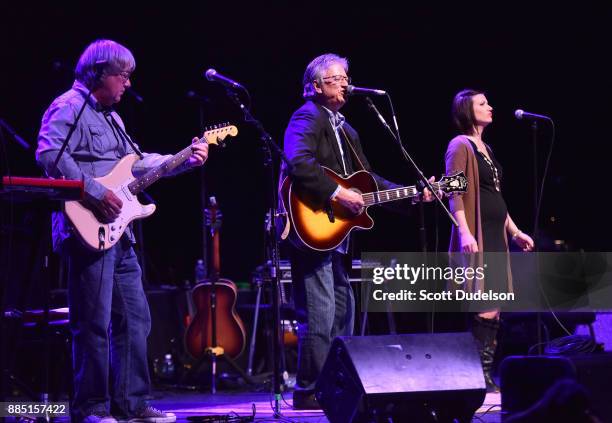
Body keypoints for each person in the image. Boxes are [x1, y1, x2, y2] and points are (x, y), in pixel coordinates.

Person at [36, 39, 208, 423]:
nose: (128, 84)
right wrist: (95, 192)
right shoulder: (69, 107)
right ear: (100, 73)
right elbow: (49, 154)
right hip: (87, 229)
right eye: (123, 76)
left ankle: (131, 404)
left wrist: (183, 159)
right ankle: (92, 408)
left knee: (135, 317)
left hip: (119, 233)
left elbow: (136, 164)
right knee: (93, 322)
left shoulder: (113, 117)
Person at [280, 53, 433, 409]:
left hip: (337, 235)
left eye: (346, 76)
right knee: (319, 313)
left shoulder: (347, 130)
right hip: (313, 227)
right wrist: (336, 193)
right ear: (315, 86)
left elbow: (369, 182)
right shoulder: (308, 115)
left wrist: (415, 193)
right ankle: (309, 391)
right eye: (337, 78)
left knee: (343, 310)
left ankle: (335, 386)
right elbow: (297, 161)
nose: (346, 83)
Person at [445, 88, 534, 392]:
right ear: (468, 111)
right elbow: (455, 192)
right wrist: (464, 231)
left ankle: (483, 374)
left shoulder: (488, 149)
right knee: (484, 302)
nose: (490, 107)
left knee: (495, 304)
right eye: (483, 104)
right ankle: (476, 376)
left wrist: (516, 231)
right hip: (478, 233)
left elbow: (496, 197)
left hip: (497, 233)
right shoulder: (460, 145)